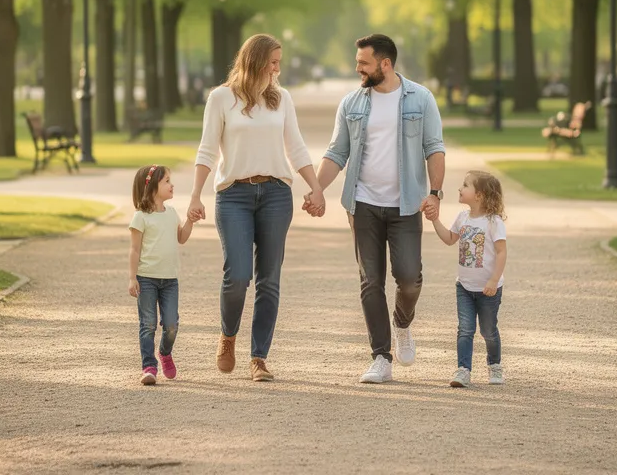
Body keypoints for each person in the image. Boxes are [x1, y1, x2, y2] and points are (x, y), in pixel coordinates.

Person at [189, 34, 325, 382]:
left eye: (279, 62)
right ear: (255, 61)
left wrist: (316, 187)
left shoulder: (282, 99)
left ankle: (259, 358)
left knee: (269, 279)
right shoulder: (221, 98)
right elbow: (207, 150)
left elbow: (295, 147)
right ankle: (228, 335)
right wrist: (195, 195)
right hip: (234, 194)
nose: (277, 69)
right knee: (237, 276)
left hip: (276, 194)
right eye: (273, 62)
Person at [316, 33, 446, 384]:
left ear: (385, 64)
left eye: (363, 62)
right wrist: (316, 189)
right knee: (370, 281)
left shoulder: (420, 98)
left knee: (408, 277)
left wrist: (435, 193)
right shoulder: (352, 103)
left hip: (406, 204)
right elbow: (336, 152)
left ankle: (402, 323)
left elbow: (434, 148)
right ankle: (380, 356)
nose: (357, 68)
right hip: (363, 204)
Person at [427, 171, 508, 388]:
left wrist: (493, 280)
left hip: (489, 289)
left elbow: (501, 252)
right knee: (465, 328)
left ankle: (494, 365)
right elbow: (449, 239)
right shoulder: (462, 218)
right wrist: (435, 220)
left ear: (479, 195)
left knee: (488, 331)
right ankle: (463, 370)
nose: (460, 189)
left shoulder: (493, 222)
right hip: (464, 286)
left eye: (465, 185)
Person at [129, 164, 198, 385]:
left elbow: (182, 238)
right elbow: (135, 250)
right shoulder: (141, 217)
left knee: (171, 324)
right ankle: (149, 366)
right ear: (151, 187)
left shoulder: (172, 213)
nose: (172, 184)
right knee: (147, 323)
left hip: (170, 280)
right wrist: (132, 278)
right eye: (167, 181)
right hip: (146, 278)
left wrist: (190, 221)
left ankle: (165, 352)